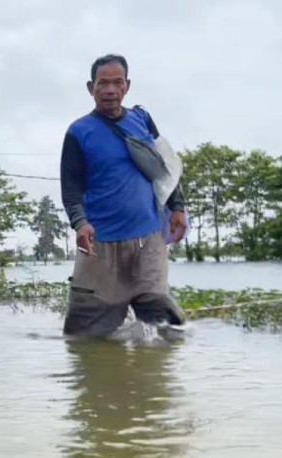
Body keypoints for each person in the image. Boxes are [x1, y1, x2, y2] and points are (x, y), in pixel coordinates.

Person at [60, 54, 188, 338]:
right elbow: (71, 189)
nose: (110, 90)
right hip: (100, 242)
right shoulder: (78, 132)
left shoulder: (142, 120)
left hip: (148, 237)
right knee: (83, 334)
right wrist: (81, 223)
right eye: (103, 83)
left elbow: (166, 168)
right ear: (91, 88)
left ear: (127, 86)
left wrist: (177, 207)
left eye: (117, 83)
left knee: (161, 318)